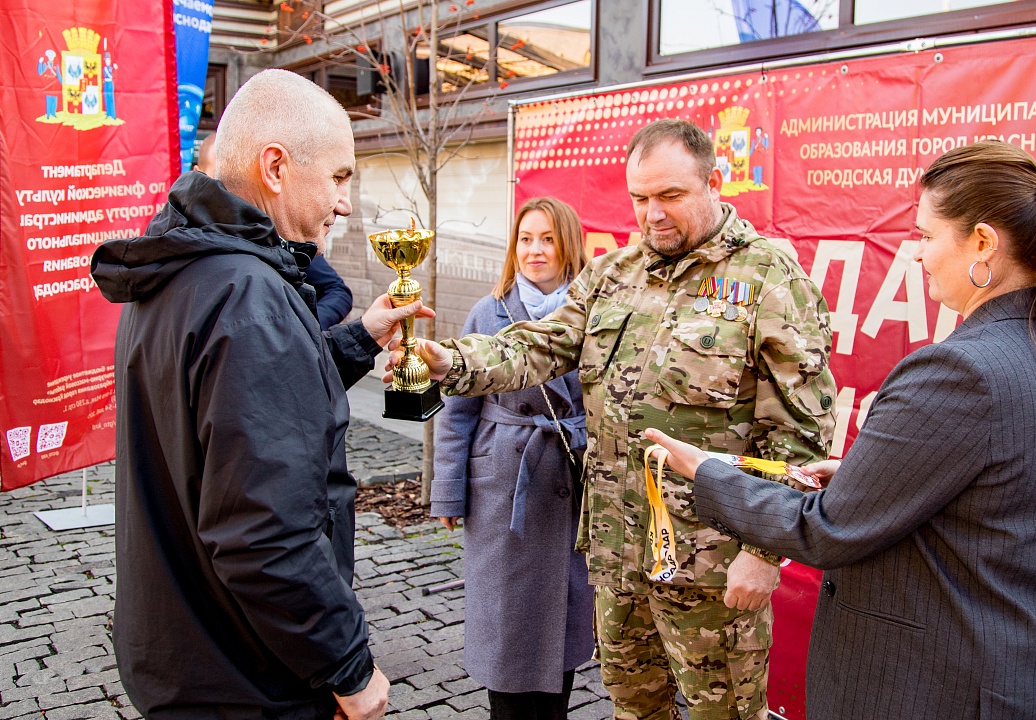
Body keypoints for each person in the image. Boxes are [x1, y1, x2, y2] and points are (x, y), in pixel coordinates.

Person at [646, 139, 1036, 720]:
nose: (916, 255)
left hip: (931, 686)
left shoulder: (960, 371)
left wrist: (708, 472)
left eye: (925, 236)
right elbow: (988, 493)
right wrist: (867, 477)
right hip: (1003, 673)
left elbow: (826, 531)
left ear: (983, 243)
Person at [398, 119, 837, 720]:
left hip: (708, 563)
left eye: (670, 196)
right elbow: (543, 345)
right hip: (615, 554)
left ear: (713, 183)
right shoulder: (613, 274)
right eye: (639, 198)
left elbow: (798, 435)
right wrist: (455, 359)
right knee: (635, 711)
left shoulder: (771, 281)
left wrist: (762, 552)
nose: (652, 213)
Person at [90, 69, 426, 720]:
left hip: (189, 658)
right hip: (245, 680)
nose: (346, 203)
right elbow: (263, 535)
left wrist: (359, 338)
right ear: (275, 167)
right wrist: (350, 668)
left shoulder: (188, 270)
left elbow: (239, 401)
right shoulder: (249, 300)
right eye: (339, 177)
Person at [431, 197, 592, 720]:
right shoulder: (489, 310)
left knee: (561, 622)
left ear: (568, 244)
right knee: (506, 624)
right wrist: (449, 490)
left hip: (568, 479)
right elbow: (457, 413)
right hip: (504, 485)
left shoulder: (593, 313)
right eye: (526, 239)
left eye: (548, 238)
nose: (535, 250)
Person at [196, 129, 354, 328]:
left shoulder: (282, 235)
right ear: (198, 173)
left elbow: (336, 290)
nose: (344, 206)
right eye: (336, 178)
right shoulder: (182, 246)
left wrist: (305, 332)